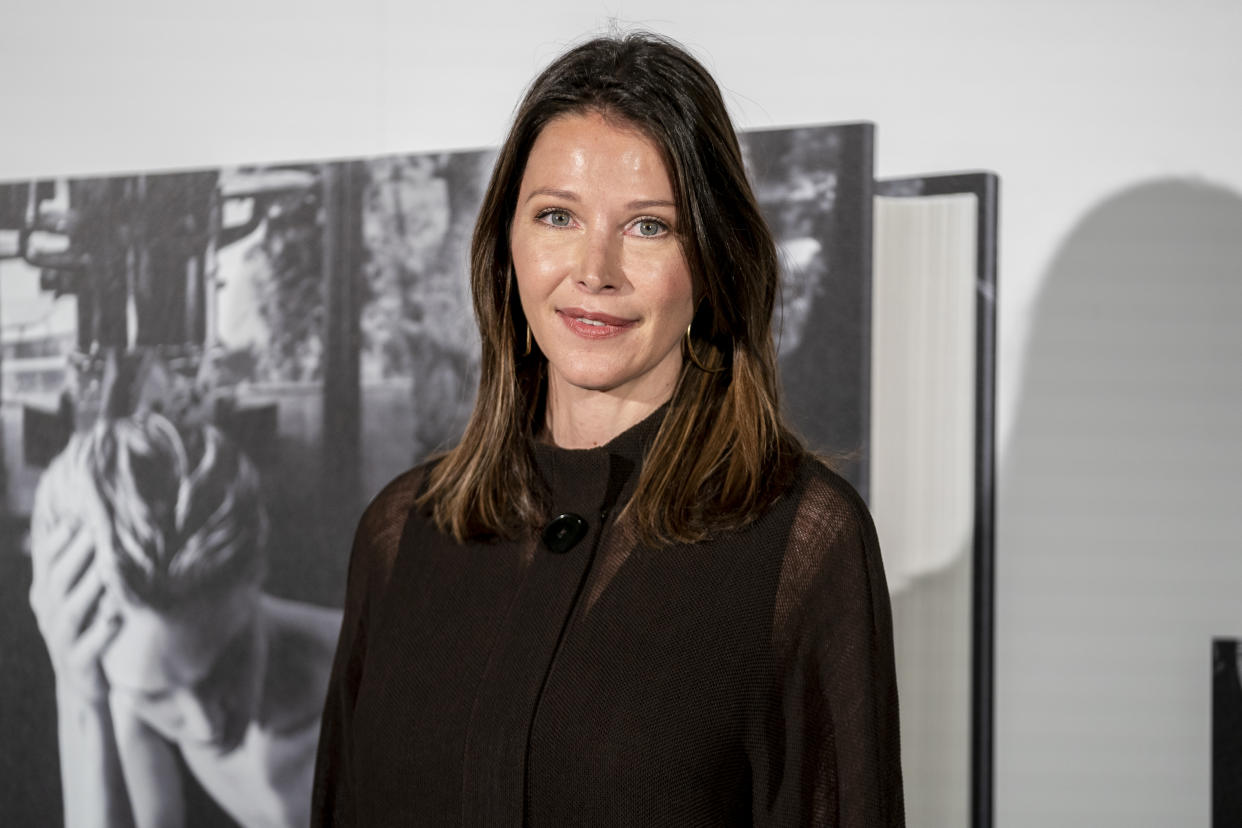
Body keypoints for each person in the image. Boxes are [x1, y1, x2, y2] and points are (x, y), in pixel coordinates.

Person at [312, 31, 904, 826]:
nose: (595, 269)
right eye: (557, 215)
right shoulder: (400, 532)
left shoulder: (803, 544)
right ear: (506, 247)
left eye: (649, 226)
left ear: (715, 260)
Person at [29, 401, 341, 828]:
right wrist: (80, 699)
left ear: (257, 572)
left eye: (225, 667)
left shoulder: (395, 701)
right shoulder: (136, 697)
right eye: (156, 696)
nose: (204, 725)